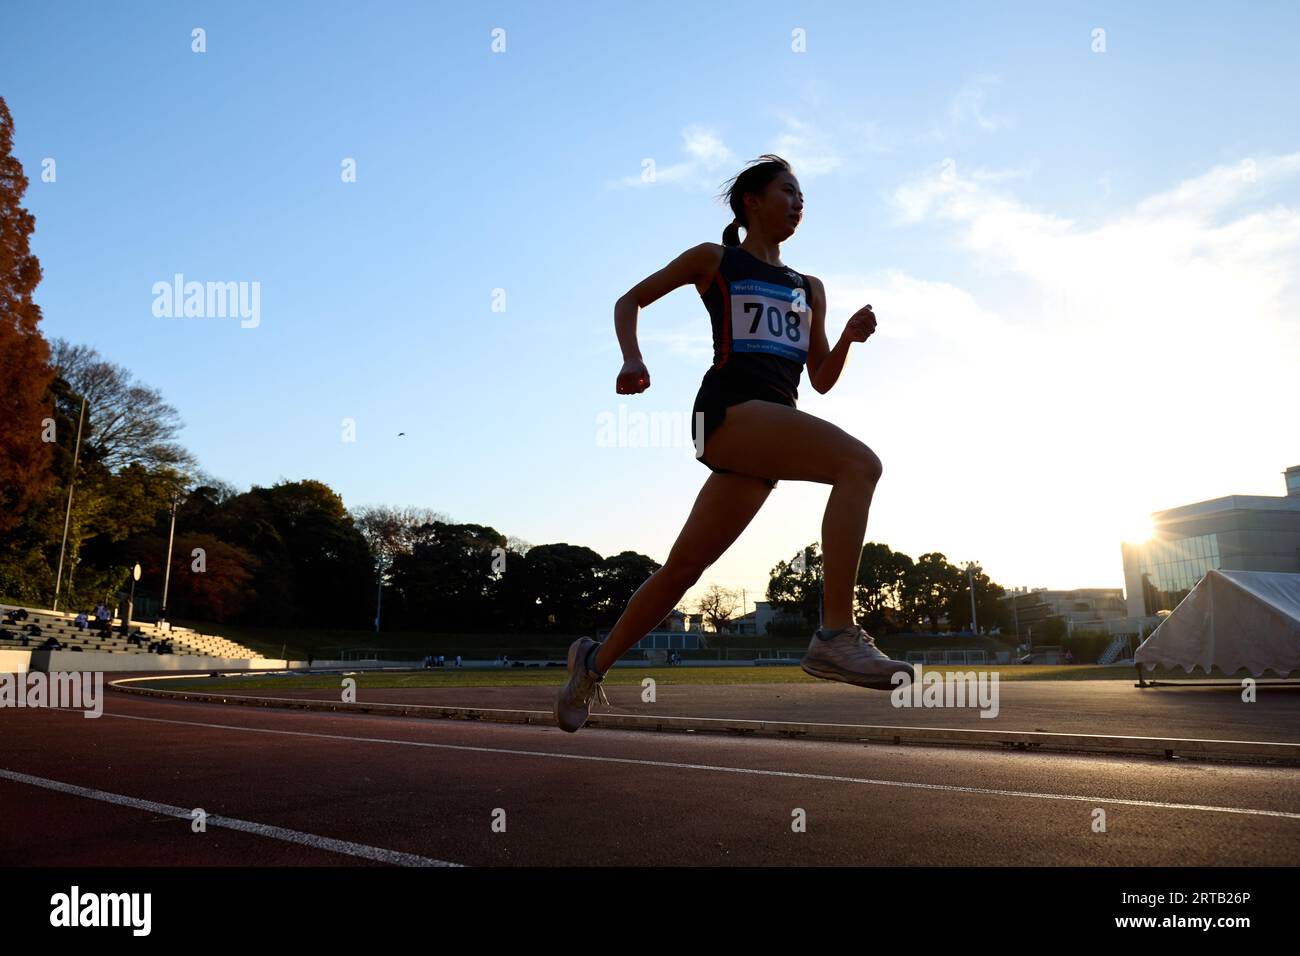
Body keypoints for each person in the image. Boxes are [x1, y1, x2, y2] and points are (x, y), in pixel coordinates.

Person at [555, 155, 914, 734]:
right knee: (860, 465)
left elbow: (819, 379)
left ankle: (591, 664)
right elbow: (630, 301)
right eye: (788, 192)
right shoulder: (715, 260)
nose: (799, 204)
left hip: (767, 433)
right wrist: (632, 356)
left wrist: (846, 337)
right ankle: (835, 634)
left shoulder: (809, 287)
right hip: (725, 414)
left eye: (803, 198)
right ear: (753, 201)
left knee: (681, 573)